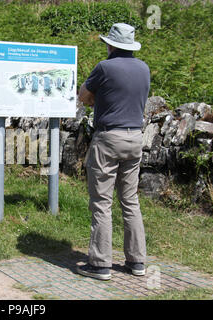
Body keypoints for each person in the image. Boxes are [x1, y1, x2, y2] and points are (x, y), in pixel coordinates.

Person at [77, 23, 150, 281]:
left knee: (102, 203)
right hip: (135, 137)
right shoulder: (144, 68)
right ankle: (137, 261)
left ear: (111, 44)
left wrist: (99, 100)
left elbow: (84, 96)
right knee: (130, 201)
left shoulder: (104, 67)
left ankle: (100, 264)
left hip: (109, 138)